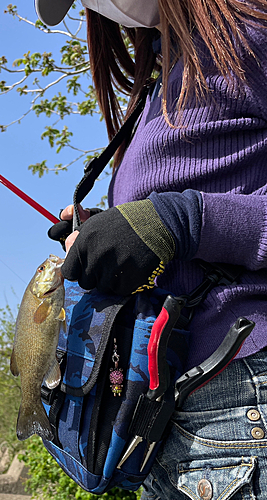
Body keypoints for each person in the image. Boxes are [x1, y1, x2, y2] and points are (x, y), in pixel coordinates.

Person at [36, 0, 267, 498]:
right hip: (169, 416)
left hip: (242, 395)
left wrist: (181, 220)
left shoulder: (251, 33)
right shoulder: (164, 77)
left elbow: (190, 216)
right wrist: (114, 233)